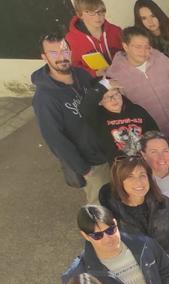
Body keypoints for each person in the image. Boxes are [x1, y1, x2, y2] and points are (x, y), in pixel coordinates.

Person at [33, 33, 111, 202]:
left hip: (108, 150)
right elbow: (55, 139)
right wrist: (83, 169)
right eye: (53, 53)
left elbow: (96, 104)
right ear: (44, 57)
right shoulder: (45, 97)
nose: (61, 57)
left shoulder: (81, 74)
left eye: (64, 50)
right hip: (91, 164)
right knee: (102, 209)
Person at [107, 27, 169, 137]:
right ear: (125, 46)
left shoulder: (158, 57)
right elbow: (123, 108)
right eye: (138, 47)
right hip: (154, 133)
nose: (143, 52)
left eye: (147, 47)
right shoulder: (115, 75)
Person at [83, 79, 158, 162]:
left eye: (116, 94)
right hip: (123, 168)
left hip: (148, 161)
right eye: (107, 97)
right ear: (99, 102)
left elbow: (155, 133)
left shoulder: (137, 110)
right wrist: (105, 84)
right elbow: (86, 106)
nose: (114, 99)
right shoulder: (97, 117)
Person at [66, 0, 123, 77]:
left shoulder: (116, 31)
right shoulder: (71, 39)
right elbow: (74, 66)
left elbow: (129, 53)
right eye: (90, 12)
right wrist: (94, 73)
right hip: (95, 83)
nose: (98, 16)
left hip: (123, 76)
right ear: (80, 14)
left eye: (101, 11)